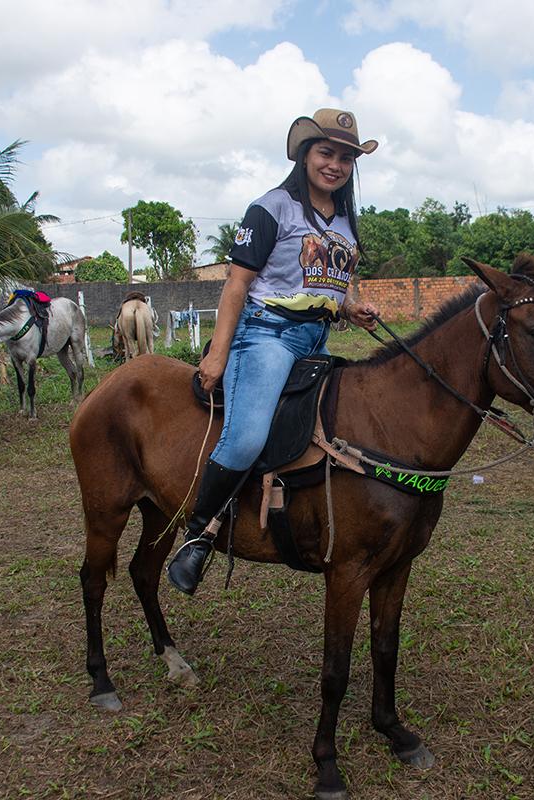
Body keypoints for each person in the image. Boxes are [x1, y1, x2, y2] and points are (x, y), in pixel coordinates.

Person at [166, 108, 381, 595]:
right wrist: (219, 353)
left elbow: (333, 282)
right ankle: (198, 534)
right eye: (327, 153)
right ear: (306, 153)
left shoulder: (344, 220)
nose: (336, 165)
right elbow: (237, 284)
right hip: (266, 335)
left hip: (317, 341)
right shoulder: (271, 207)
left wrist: (352, 308)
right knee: (245, 438)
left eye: (346, 158)